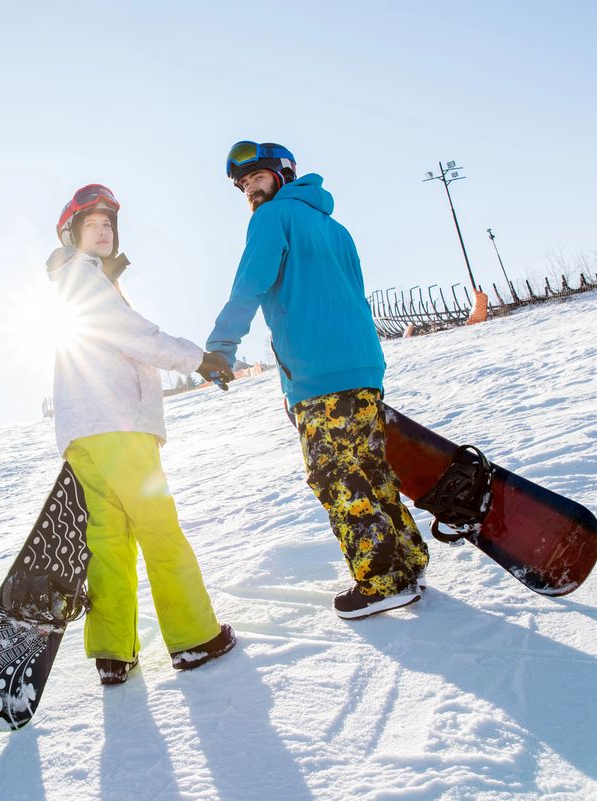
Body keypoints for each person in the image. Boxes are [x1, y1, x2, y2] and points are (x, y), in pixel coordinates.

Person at [205, 142, 429, 620]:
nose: (249, 188)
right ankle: (407, 561)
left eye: (256, 177)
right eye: (243, 185)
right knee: (368, 467)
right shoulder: (334, 226)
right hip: (363, 367)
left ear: (283, 173)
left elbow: (251, 284)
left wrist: (221, 347)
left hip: (318, 373)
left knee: (335, 473)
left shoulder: (271, 219)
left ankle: (383, 578)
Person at [47, 183, 235, 684]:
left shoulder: (71, 282)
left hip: (83, 436)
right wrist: (200, 358)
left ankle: (113, 651)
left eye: (109, 224)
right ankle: (195, 638)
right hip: (119, 427)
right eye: (94, 224)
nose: (105, 230)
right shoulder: (85, 281)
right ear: (73, 233)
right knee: (157, 528)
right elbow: (136, 337)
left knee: (108, 541)